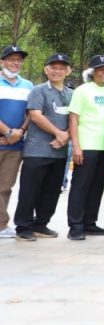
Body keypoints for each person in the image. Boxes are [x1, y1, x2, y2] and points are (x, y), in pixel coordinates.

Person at [13, 53, 73, 241]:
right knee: (30, 189)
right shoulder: (38, 90)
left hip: (60, 152)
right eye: (53, 67)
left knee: (52, 190)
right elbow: (36, 115)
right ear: (46, 69)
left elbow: (76, 119)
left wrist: (65, 137)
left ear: (68, 71)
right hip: (37, 150)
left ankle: (41, 224)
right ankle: (23, 226)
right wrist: (58, 133)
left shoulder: (72, 94)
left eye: (61, 68)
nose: (57, 71)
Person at [67, 54, 104, 240]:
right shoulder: (82, 90)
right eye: (100, 69)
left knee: (97, 186)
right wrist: (76, 146)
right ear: (92, 71)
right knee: (80, 186)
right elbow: (73, 118)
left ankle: (90, 222)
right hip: (86, 146)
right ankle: (75, 226)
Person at [0, 45, 33, 239]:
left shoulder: (28, 85)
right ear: (2, 62)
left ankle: (2, 224)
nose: (15, 63)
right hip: (5, 137)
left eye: (19, 60)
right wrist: (7, 131)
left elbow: (31, 112)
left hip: (15, 145)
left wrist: (19, 132)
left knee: (5, 185)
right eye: (11, 59)